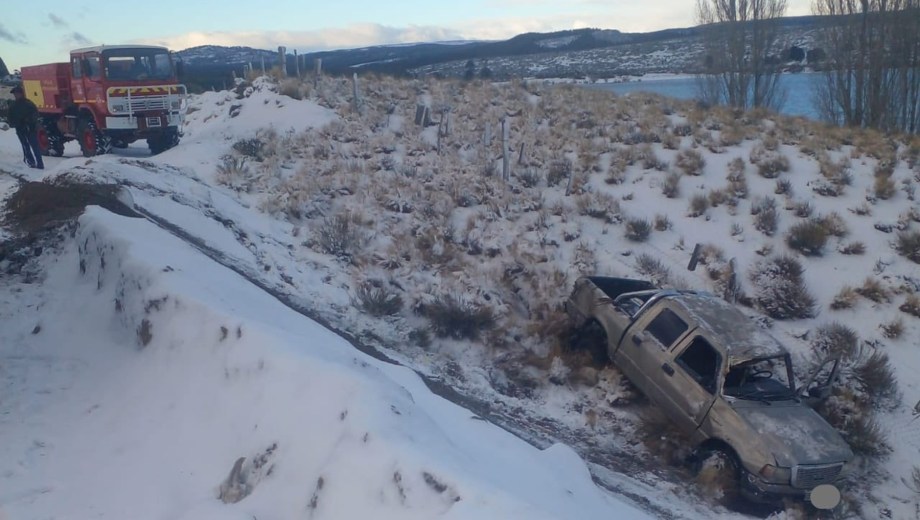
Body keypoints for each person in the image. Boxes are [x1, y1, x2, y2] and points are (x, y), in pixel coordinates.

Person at [9, 85, 44, 169]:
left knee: (35, 146)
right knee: (25, 146)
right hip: (20, 129)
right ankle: (31, 162)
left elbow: (35, 114)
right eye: (15, 94)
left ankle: (40, 164)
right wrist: (14, 123)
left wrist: (28, 121)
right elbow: (10, 118)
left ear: (21, 93)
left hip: (30, 129)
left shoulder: (28, 104)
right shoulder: (13, 106)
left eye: (17, 93)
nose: (16, 95)